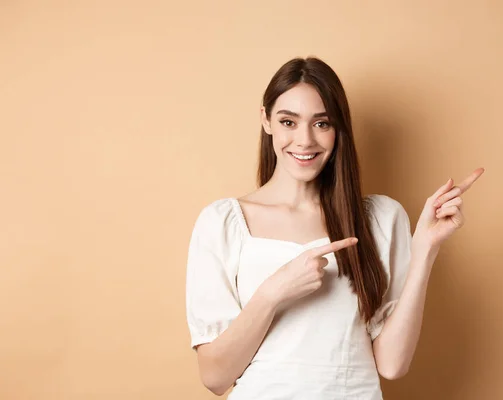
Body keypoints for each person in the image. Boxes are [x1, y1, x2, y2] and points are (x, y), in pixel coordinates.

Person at [185, 56, 484, 399]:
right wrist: (272, 293)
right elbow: (215, 376)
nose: (305, 140)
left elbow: (392, 364)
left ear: (339, 129)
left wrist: (425, 249)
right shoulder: (223, 223)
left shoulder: (379, 219)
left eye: (322, 123)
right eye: (288, 122)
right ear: (266, 121)